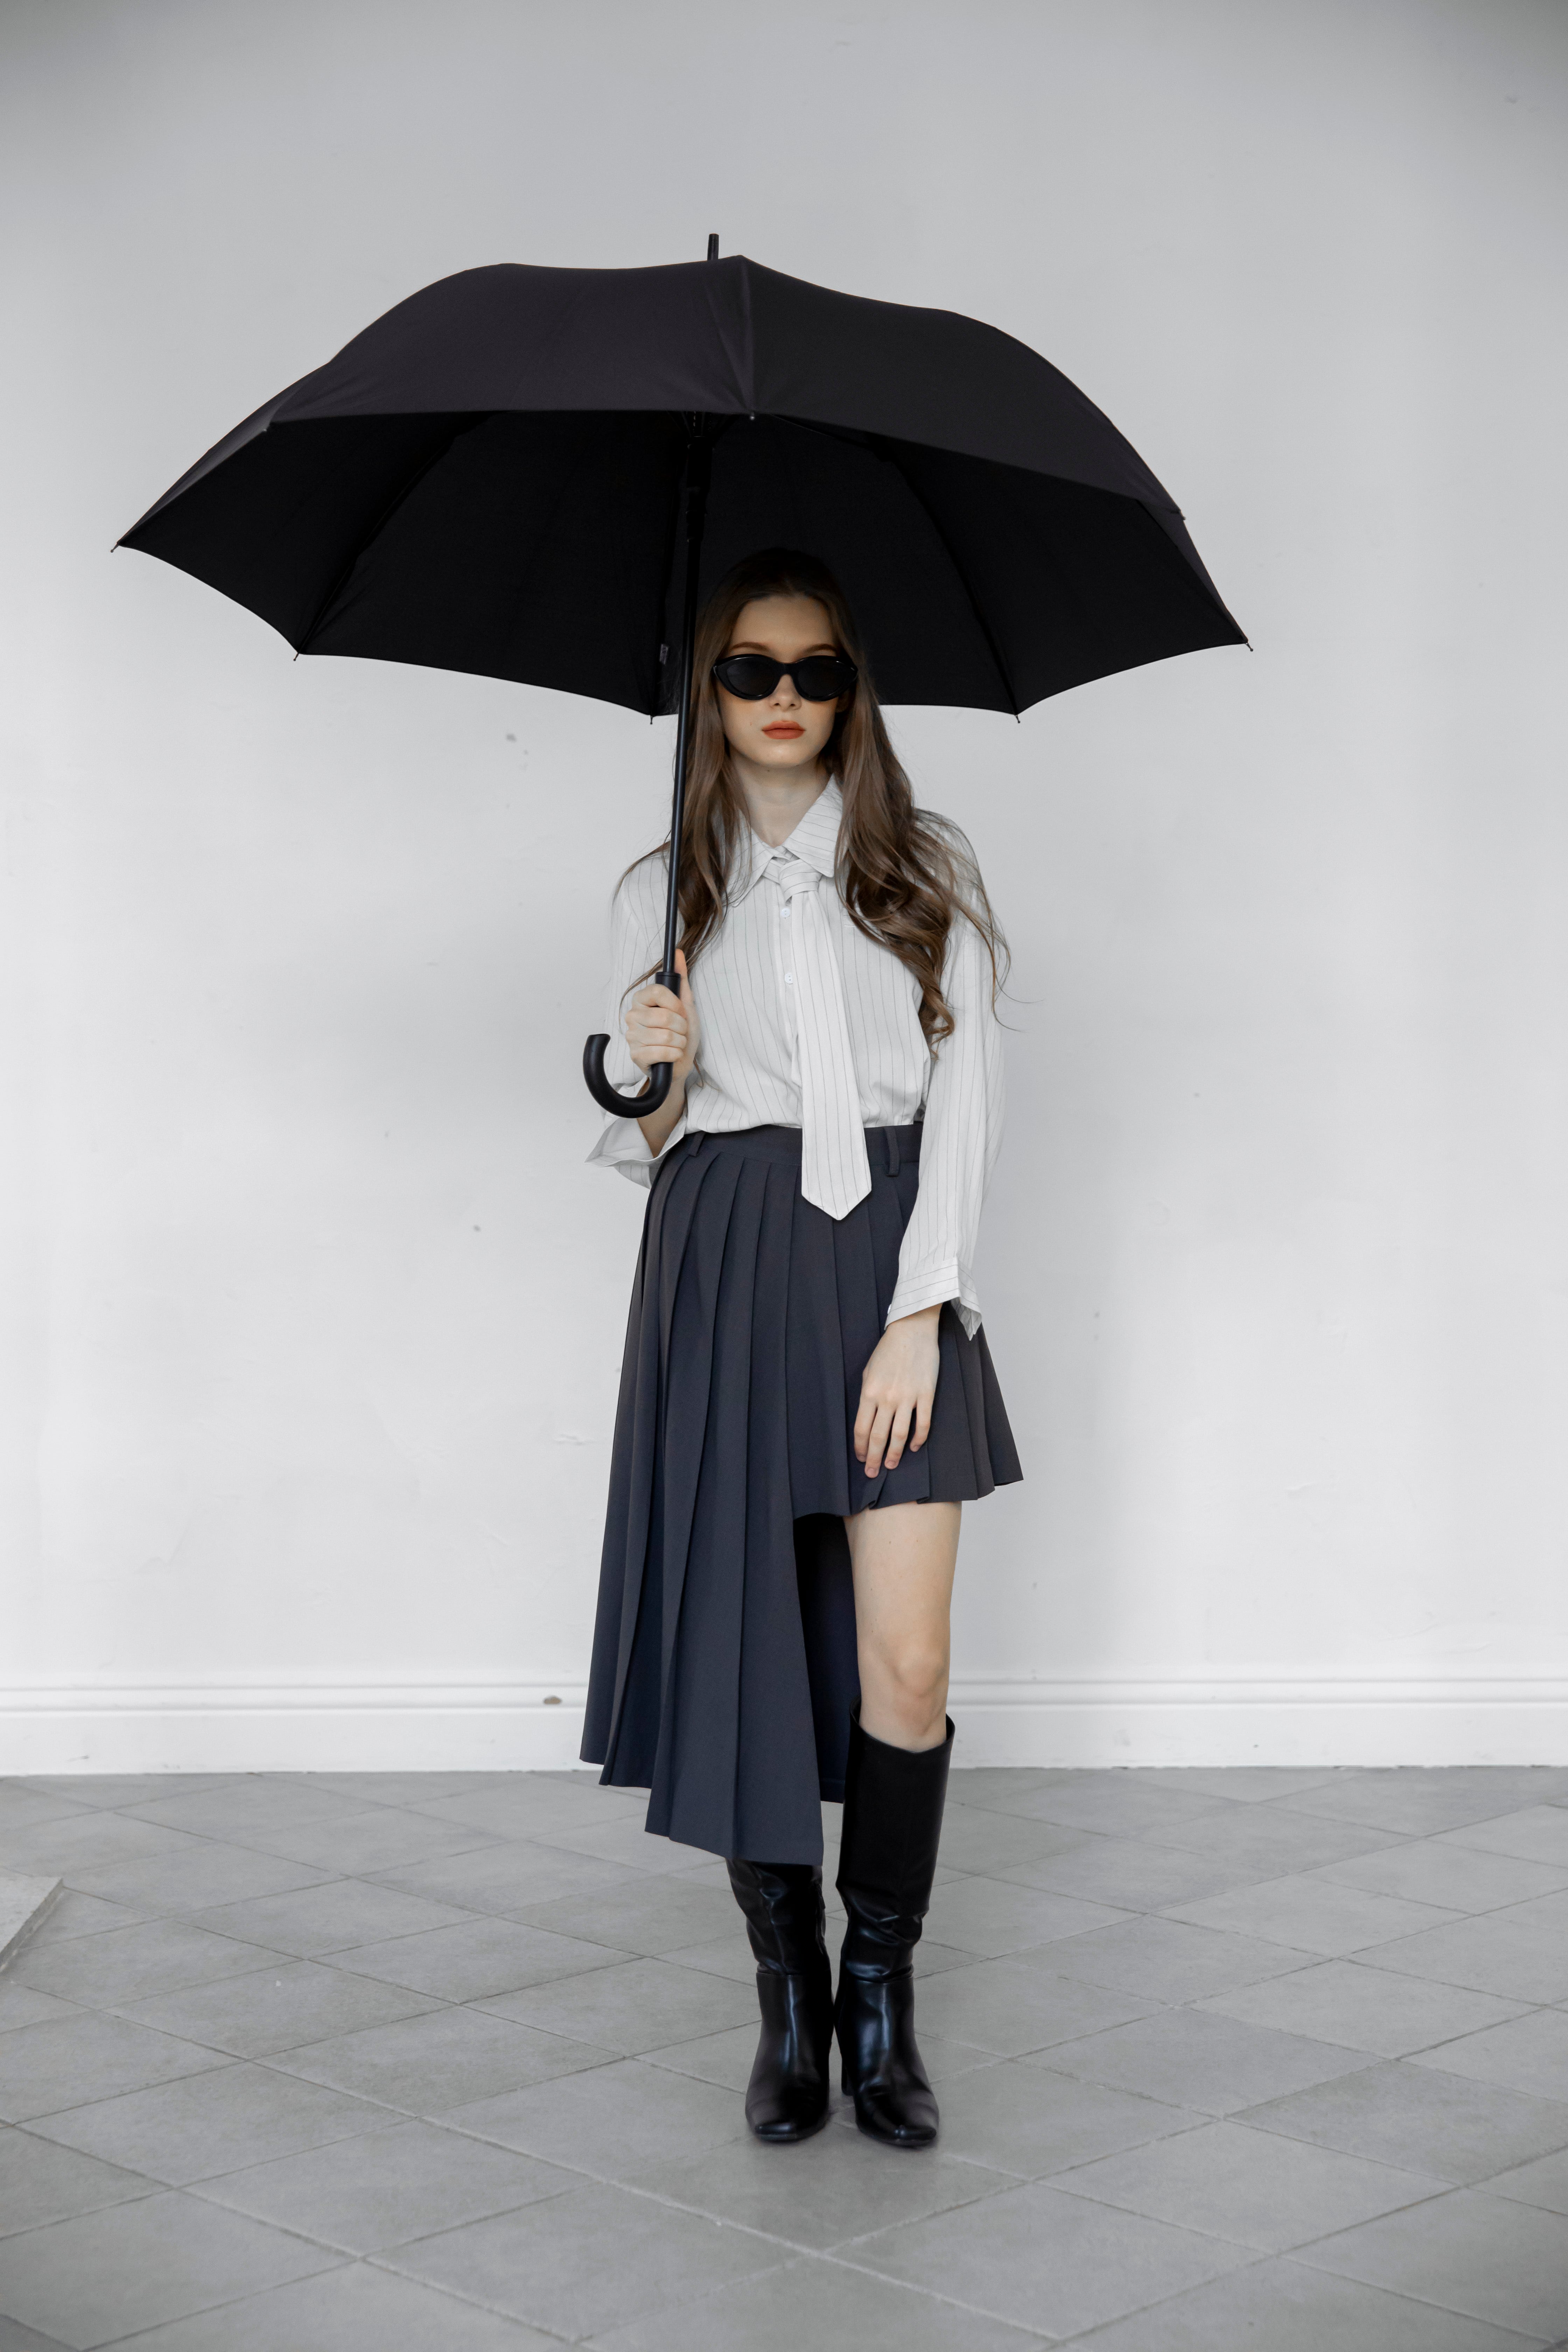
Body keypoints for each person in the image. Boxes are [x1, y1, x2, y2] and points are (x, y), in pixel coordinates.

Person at [580, 547, 1021, 2151]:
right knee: (745, 1651)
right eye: (750, 670)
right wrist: (645, 1063)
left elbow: (966, 1103)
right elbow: (653, 1136)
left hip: (892, 1254)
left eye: (815, 670)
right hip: (724, 1255)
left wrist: (919, 1316)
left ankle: (880, 1995)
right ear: (708, 689)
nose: (783, 696)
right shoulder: (663, 890)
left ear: (852, 690)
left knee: (908, 1664)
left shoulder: (923, 866)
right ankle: (790, 1996)